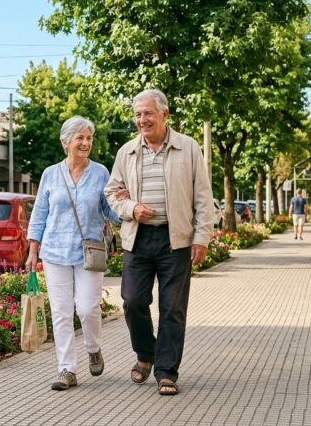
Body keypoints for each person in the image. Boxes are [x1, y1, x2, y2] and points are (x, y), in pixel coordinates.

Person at [105, 89, 214, 396]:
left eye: (148, 113)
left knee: (172, 310)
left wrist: (201, 237)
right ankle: (145, 353)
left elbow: (203, 197)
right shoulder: (126, 151)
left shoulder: (188, 148)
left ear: (165, 114)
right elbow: (112, 193)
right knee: (132, 301)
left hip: (175, 239)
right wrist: (132, 208)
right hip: (138, 239)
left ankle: (166, 371)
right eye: (138, 114)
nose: (142, 120)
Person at [26, 115, 125, 391]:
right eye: (80, 138)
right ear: (65, 142)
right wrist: (33, 250)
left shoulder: (101, 173)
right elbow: (40, 214)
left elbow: (109, 212)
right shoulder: (50, 174)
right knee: (61, 311)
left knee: (88, 308)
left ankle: (93, 348)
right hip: (55, 251)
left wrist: (124, 203)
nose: (85, 143)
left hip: (88, 252)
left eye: (89, 138)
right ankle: (67, 369)